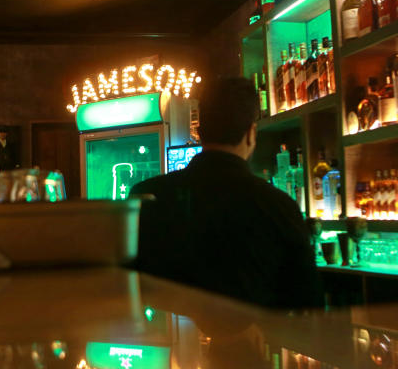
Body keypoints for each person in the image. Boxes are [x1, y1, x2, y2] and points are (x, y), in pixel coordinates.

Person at [130, 77, 320, 309]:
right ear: (251, 133)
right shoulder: (279, 206)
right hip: (261, 341)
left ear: (199, 131)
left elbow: (129, 290)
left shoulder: (146, 195)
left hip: (170, 342)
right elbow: (308, 305)